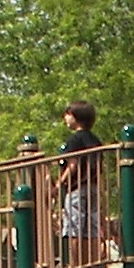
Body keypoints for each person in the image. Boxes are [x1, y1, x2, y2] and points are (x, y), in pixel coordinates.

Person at [57, 101, 100, 249]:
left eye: (68, 114)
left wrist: (60, 183)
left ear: (76, 117)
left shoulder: (74, 140)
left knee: (73, 228)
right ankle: (93, 264)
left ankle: (75, 266)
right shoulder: (95, 140)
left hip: (76, 188)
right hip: (93, 187)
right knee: (92, 230)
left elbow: (73, 165)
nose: (65, 117)